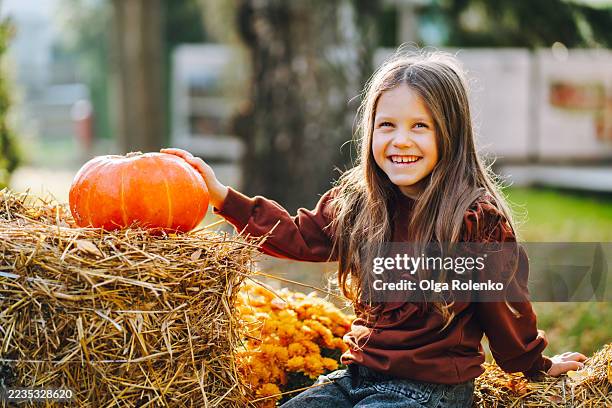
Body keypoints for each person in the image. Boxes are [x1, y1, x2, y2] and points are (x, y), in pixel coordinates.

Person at [161, 49, 586, 407]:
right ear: (370, 132)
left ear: (451, 134)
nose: (401, 140)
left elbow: (505, 309)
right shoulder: (362, 202)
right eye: (387, 125)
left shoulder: (472, 219)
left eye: (420, 126)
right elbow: (298, 235)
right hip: (358, 375)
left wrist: (536, 366)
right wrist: (222, 197)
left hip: (430, 390)